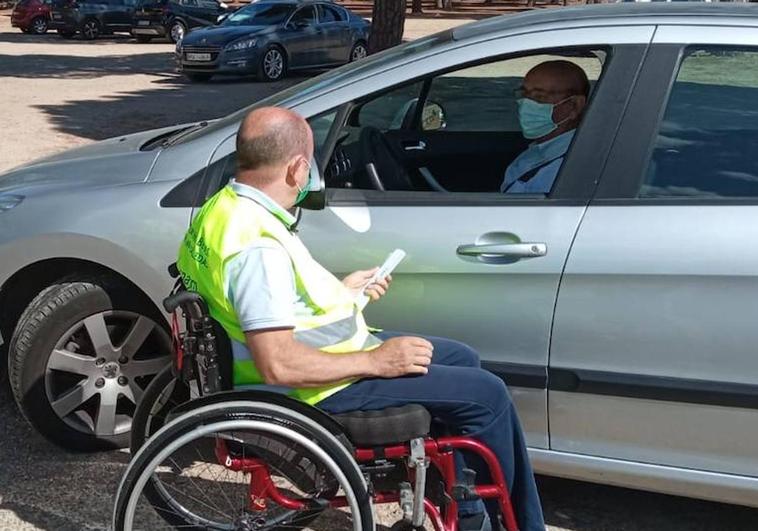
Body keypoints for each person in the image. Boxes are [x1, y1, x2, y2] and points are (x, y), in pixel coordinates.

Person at [177, 107, 545, 531]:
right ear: (298, 169)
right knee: (488, 395)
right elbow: (277, 363)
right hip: (312, 390)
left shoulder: (223, 209)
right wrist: (376, 362)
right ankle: (515, 524)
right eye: (311, 164)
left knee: (462, 358)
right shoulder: (258, 246)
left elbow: (272, 304)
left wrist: (345, 292)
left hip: (305, 362)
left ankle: (465, 510)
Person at [501, 60, 589, 194]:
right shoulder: (542, 150)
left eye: (539, 97)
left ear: (574, 106)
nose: (526, 105)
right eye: (524, 95)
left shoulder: (568, 168)